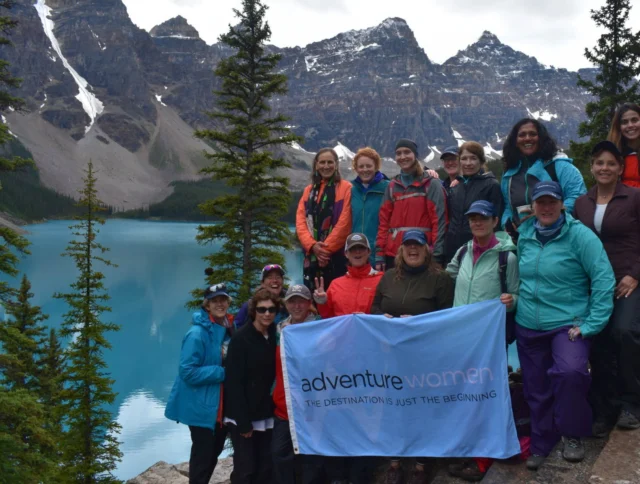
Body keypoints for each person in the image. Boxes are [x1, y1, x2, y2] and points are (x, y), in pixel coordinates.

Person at [516, 181, 615, 471]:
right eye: (540, 202)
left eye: (551, 202)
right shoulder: (525, 235)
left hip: (567, 323)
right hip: (528, 324)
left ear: (561, 204)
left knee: (570, 372)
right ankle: (541, 442)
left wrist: (592, 323)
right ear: (532, 206)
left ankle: (572, 433)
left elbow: (603, 278)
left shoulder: (580, 236)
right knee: (535, 387)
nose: (546, 208)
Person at [372, 230, 454, 484]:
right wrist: (381, 318)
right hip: (392, 357)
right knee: (393, 409)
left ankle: (421, 464)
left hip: (425, 357)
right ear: (401, 250)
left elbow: (449, 318)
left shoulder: (440, 279)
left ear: (427, 249)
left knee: (423, 409)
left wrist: (419, 323)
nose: (412, 250)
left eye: (417, 245)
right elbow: (375, 307)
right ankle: (395, 462)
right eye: (408, 246)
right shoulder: (387, 278)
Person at [445, 200, 519, 481]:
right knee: (464, 394)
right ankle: (467, 450)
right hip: (460, 337)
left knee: (486, 395)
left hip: (488, 341)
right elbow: (448, 275)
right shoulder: (463, 251)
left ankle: (482, 459)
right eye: (473, 218)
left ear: (494, 221)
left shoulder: (506, 258)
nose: (477, 223)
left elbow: (515, 295)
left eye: (483, 218)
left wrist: (511, 301)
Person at [573, 140, 640, 436]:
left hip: (627, 280)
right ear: (591, 167)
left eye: (611, 163)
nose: (604, 168)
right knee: (597, 340)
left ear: (620, 169)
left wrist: (635, 274)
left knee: (624, 332)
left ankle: (631, 403)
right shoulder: (582, 203)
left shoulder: (635, 197)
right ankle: (604, 407)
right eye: (599, 163)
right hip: (595, 284)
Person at [165, 282, 235, 484]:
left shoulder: (227, 327)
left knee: (214, 450)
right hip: (202, 406)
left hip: (219, 405)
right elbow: (187, 371)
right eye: (215, 301)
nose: (220, 304)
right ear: (207, 305)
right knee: (203, 454)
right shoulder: (197, 334)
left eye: (223, 300)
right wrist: (222, 373)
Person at [224, 288, 279, 484]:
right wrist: (244, 421)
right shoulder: (241, 339)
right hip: (244, 415)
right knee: (245, 468)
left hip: (265, 412)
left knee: (265, 465)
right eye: (262, 309)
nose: (267, 314)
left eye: (271, 310)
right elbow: (233, 382)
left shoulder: (273, 334)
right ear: (253, 311)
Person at [501, 118, 586, 240]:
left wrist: (545, 215)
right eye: (522, 135)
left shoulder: (560, 165)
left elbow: (577, 197)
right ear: (515, 141)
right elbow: (508, 207)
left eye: (533, 134)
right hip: (520, 240)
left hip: (558, 237)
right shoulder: (509, 173)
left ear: (541, 138)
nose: (527, 138)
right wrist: (506, 224)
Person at [272, 284, 323, 484]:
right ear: (286, 304)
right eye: (292, 301)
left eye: (301, 301)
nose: (297, 305)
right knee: (279, 454)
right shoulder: (279, 330)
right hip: (284, 406)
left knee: (311, 456)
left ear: (309, 303)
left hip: (312, 405)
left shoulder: (320, 327)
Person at [376, 139, 448, 271]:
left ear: (415, 155)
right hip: (395, 254)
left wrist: (437, 255)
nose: (402, 157)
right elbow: (383, 223)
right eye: (398, 153)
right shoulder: (392, 186)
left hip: (423, 252)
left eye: (407, 152)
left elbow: (440, 222)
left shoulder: (431, 184)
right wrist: (380, 254)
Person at [296, 148, 353, 291]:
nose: (326, 166)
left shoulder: (346, 188)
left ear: (336, 165)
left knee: (337, 296)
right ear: (316, 165)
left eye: (330, 162)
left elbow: (345, 222)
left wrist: (324, 251)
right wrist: (312, 246)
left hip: (337, 257)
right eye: (322, 162)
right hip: (312, 256)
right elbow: (301, 221)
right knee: (313, 298)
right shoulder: (308, 191)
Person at [443, 142, 504, 264]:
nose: (468, 163)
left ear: (481, 161)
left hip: (480, 249)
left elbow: (497, 221)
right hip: (452, 250)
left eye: (473, 158)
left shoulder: (491, 185)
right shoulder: (455, 187)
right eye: (464, 159)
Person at [313, 232, 384, 318]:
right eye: (353, 249)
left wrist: (368, 319)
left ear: (369, 252)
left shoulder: (382, 279)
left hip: (371, 331)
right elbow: (328, 318)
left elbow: (389, 311)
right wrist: (323, 303)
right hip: (343, 331)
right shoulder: (335, 285)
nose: (357, 252)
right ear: (346, 254)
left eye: (361, 248)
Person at [350, 147, 390, 265]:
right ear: (356, 168)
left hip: (379, 254)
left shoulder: (388, 188)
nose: (365, 169)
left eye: (369, 166)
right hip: (356, 252)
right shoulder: (352, 190)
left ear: (376, 166)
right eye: (361, 166)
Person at [608, 102, 640, 188]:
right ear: (619, 127)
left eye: (634, 120)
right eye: (624, 122)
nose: (630, 125)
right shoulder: (612, 154)